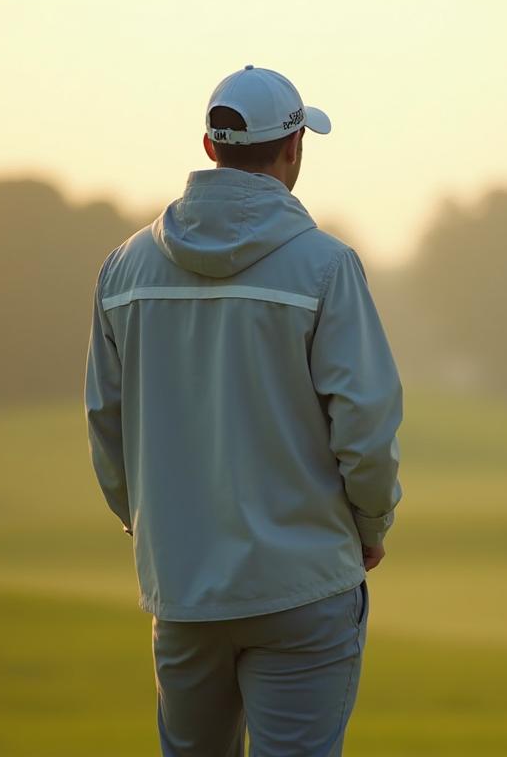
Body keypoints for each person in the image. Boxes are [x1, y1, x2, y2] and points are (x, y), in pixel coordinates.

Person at [84, 64, 403, 757]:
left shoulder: (124, 270)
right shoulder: (325, 267)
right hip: (305, 584)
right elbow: (366, 425)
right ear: (293, 148)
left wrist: (162, 535)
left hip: (183, 589)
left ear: (210, 148)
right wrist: (369, 524)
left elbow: (107, 431)